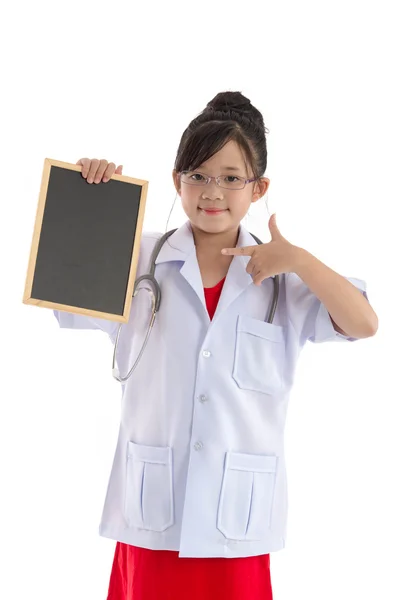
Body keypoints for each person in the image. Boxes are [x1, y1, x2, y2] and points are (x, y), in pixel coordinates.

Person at [53, 91, 378, 600]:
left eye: (231, 178)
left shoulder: (282, 280)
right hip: (154, 511)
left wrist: (302, 261)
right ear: (177, 179)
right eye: (199, 175)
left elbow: (363, 323)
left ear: (259, 188)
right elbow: (57, 282)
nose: (213, 191)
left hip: (237, 520)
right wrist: (89, 197)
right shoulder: (135, 259)